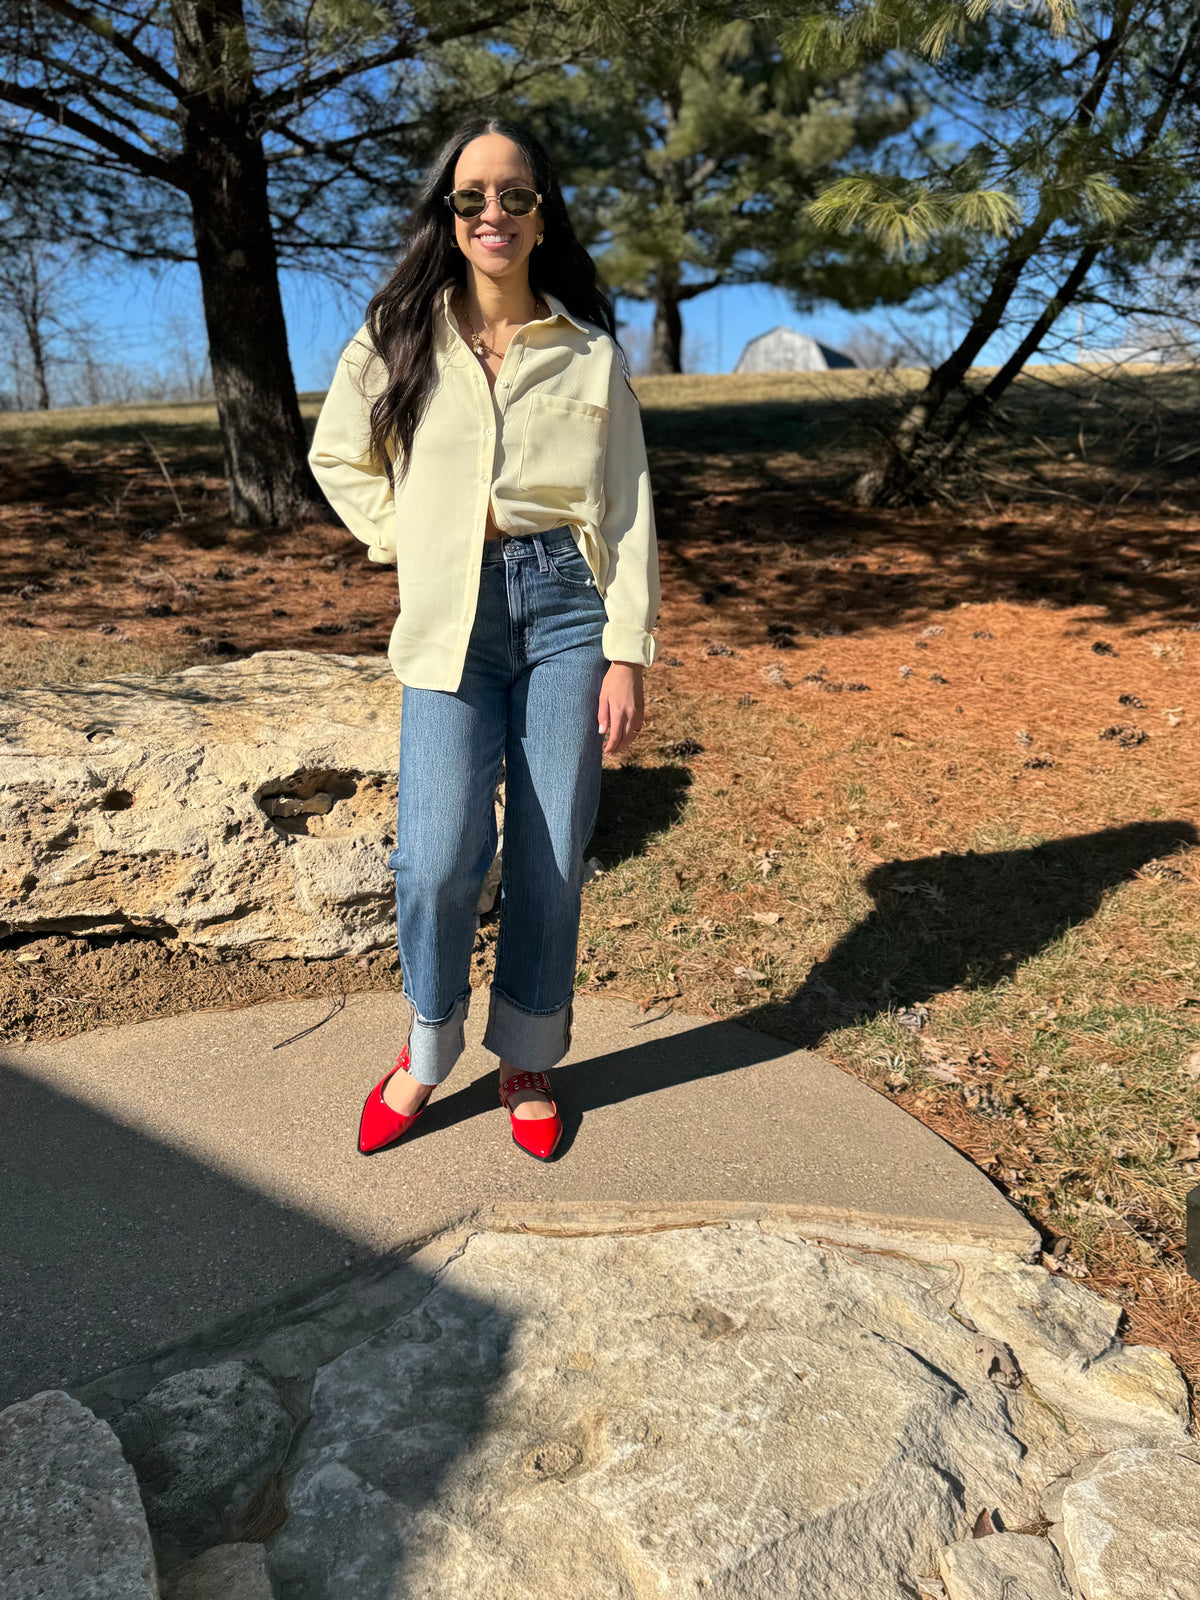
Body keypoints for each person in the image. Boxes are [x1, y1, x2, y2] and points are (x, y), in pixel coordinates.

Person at [308, 116, 660, 1163]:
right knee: (434, 856)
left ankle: (528, 1052)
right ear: (447, 216)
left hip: (566, 608)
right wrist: (405, 539)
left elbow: (630, 504)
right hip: (449, 611)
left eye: (513, 195)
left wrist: (629, 648)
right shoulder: (399, 334)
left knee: (552, 854)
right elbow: (340, 457)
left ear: (543, 214)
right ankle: (427, 1046)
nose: (492, 213)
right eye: (471, 198)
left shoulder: (589, 353)